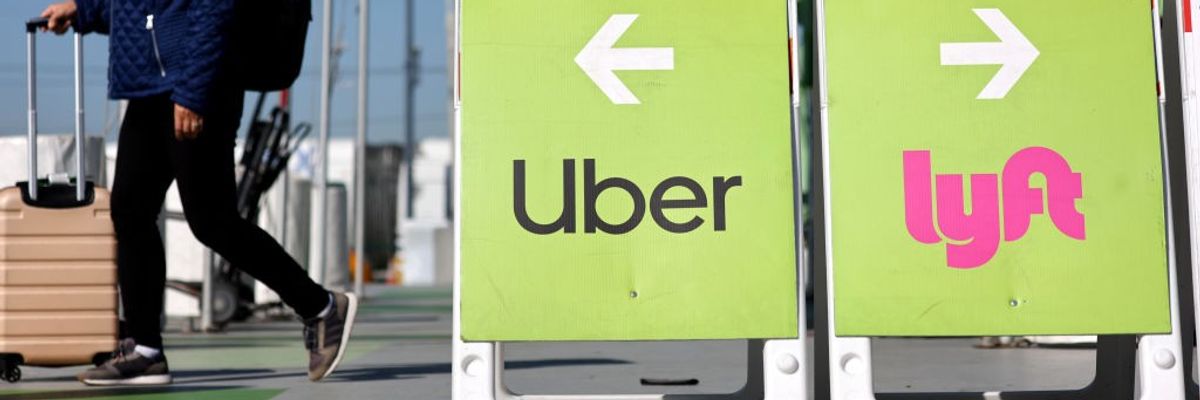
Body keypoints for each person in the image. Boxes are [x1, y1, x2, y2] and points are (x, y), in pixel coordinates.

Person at [38, 0, 358, 386]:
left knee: (212, 220)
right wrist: (83, 10)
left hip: (195, 83)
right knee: (130, 210)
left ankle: (320, 307)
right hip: (150, 86)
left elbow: (216, 7)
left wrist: (193, 92)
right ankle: (145, 351)